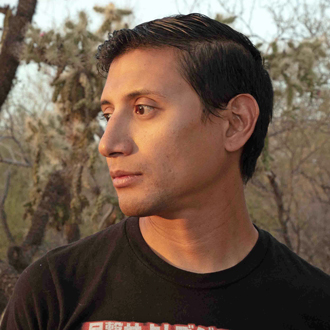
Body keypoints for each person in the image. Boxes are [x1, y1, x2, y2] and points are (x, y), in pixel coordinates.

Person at [1, 13, 330, 330]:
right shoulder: (53, 293)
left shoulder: (315, 307)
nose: (108, 144)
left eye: (143, 108)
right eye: (108, 115)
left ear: (235, 123)